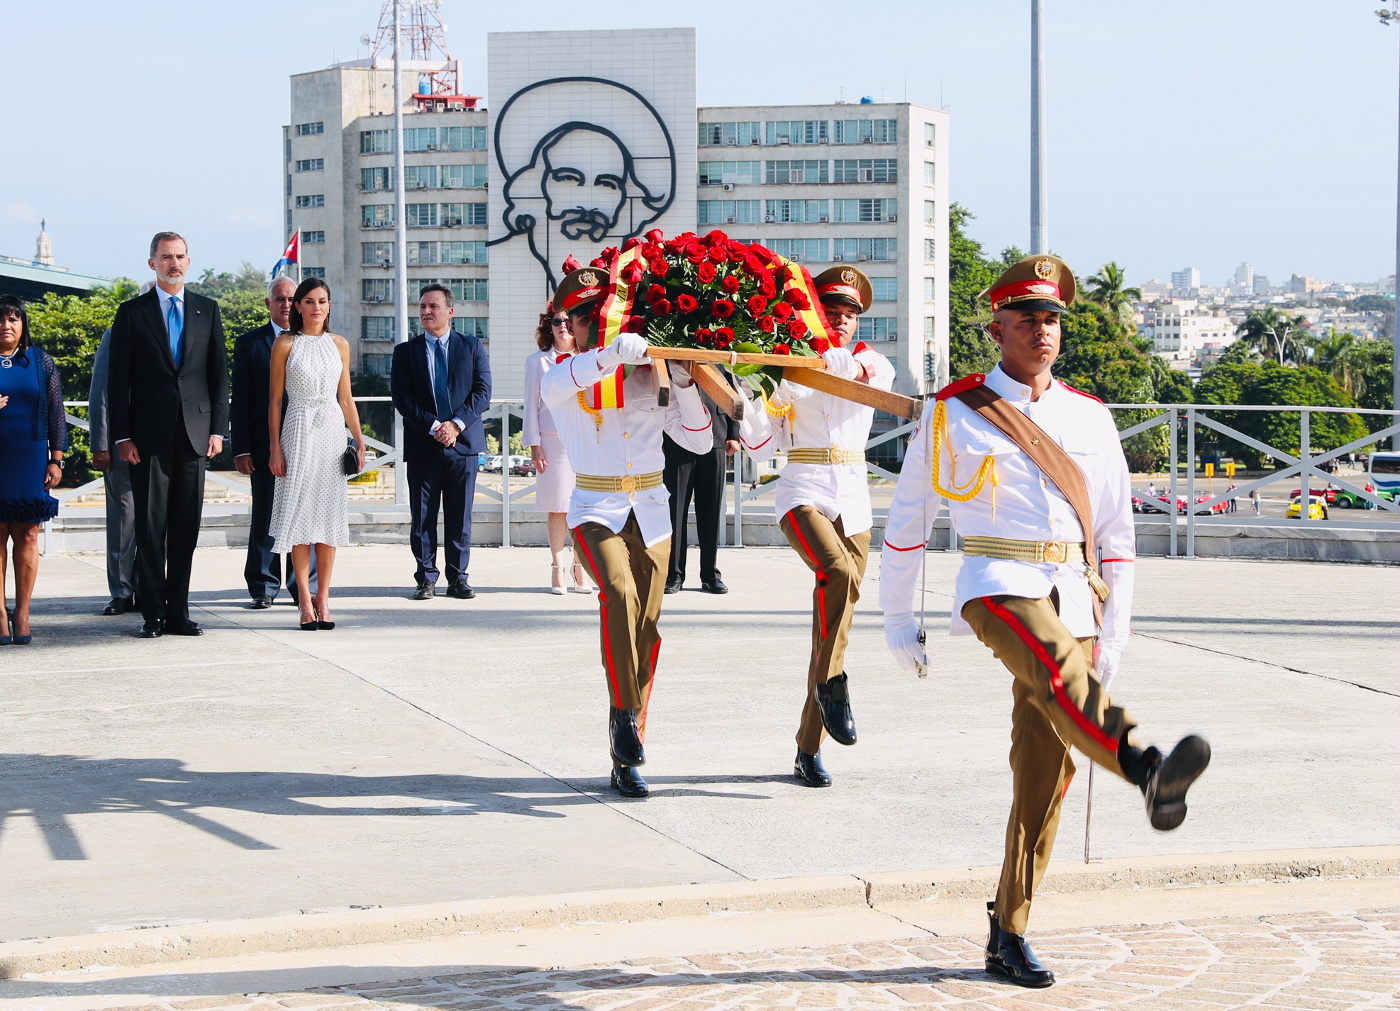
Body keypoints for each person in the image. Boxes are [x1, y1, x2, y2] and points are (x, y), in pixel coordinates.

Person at [879, 254, 1211, 990]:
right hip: (996, 582)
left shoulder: (1090, 417)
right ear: (996, 326)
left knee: (1047, 769)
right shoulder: (954, 408)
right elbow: (908, 522)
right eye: (1026, 316)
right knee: (1056, 667)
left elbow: (1117, 537)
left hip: (1073, 590)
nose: (1041, 329)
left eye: (1052, 317)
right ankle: (1145, 766)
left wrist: (1115, 630)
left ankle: (1009, 929)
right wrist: (897, 612)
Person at [538, 266, 714, 798]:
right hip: (596, 507)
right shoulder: (561, 375)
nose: (595, 326)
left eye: (601, 315)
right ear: (573, 323)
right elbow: (574, 377)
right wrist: (615, 355)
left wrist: (683, 381)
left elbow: (701, 442)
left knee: (648, 627)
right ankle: (623, 718)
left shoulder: (646, 375)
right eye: (585, 318)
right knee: (618, 593)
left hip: (653, 511)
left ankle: (629, 746)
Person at [735, 266, 895, 788]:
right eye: (833, 314)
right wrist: (751, 399)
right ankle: (834, 688)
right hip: (802, 489)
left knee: (832, 637)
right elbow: (763, 445)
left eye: (850, 316)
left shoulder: (872, 360)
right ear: (812, 314)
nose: (843, 323)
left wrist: (830, 363)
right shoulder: (785, 369)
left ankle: (809, 746)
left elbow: (869, 376)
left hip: (853, 497)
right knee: (837, 571)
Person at [109, 232, 229, 639]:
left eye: (179, 257)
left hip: (195, 436)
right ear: (152, 263)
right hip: (147, 439)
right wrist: (122, 437)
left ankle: (179, 613)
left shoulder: (207, 311)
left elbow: (218, 377)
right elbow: (117, 380)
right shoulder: (131, 313)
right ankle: (153, 615)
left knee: (184, 529)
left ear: (188, 262)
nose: (173, 263)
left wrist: (217, 429)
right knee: (150, 528)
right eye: (165, 257)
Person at [267, 278, 366, 631]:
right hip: (297, 429)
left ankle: (324, 598)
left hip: (331, 433)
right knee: (298, 517)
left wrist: (359, 439)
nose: (316, 308)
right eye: (308, 301)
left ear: (329, 305)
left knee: (327, 517)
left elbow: (346, 398)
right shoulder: (285, 344)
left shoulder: (339, 344)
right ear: (297, 306)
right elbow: (276, 400)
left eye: (322, 301)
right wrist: (274, 447)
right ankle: (304, 603)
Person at [390, 284, 492, 601]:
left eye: (433, 306)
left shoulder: (472, 346)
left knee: (460, 516)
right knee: (423, 517)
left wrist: (455, 424)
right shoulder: (405, 352)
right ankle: (426, 579)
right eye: (422, 306)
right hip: (424, 444)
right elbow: (402, 398)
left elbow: (483, 392)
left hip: (463, 446)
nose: (425, 311)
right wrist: (435, 425)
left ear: (450, 311)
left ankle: (458, 579)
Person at [231, 276, 316, 608]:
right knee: (265, 516)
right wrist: (241, 448)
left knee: (302, 515)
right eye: (279, 299)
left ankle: (301, 587)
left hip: (306, 442)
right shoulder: (250, 344)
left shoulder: (312, 341)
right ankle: (263, 586)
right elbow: (240, 400)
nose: (285, 304)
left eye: (291, 299)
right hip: (263, 446)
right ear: (268, 303)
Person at [0, 295, 65, 645]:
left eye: (13, 319)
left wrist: (56, 458)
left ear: (22, 324)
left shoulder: (40, 361)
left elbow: (55, 411)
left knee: (27, 534)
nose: (6, 326)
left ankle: (22, 611)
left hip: (30, 457)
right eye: (1, 320)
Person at [524, 306, 590, 594]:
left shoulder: (588, 357)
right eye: (556, 322)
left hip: (586, 438)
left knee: (583, 505)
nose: (563, 326)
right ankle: (557, 566)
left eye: (567, 321)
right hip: (552, 441)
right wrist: (534, 445)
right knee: (558, 508)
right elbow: (530, 405)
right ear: (548, 327)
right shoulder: (537, 361)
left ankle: (580, 566)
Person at [663, 377, 740, 595]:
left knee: (710, 511)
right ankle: (674, 575)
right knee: (675, 512)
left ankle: (710, 575)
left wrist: (733, 434)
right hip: (677, 439)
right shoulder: (671, 358)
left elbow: (732, 395)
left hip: (716, 437)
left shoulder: (717, 357)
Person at [89, 327, 138, 616]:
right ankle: (121, 592)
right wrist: (100, 443)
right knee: (123, 523)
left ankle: (149, 589)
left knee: (157, 525)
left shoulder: (177, 334)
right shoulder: (115, 335)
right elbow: (101, 391)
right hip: (120, 449)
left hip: (162, 451)